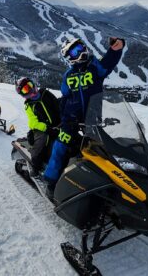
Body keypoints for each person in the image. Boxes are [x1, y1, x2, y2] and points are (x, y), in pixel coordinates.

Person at [42, 37, 125, 199]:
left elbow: (108, 62)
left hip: (93, 119)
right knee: (60, 146)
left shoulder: (95, 66)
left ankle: (109, 183)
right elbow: (65, 97)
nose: (80, 51)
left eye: (80, 47)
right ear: (69, 57)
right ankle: (51, 181)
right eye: (75, 51)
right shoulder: (68, 75)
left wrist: (116, 49)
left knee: (102, 150)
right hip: (71, 120)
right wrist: (63, 118)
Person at [16, 77, 60, 173]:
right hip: (42, 128)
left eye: (30, 86)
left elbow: (57, 105)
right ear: (23, 94)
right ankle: (35, 165)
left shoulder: (45, 94)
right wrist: (46, 128)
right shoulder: (29, 105)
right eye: (26, 89)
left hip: (58, 124)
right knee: (41, 141)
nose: (30, 89)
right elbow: (33, 122)